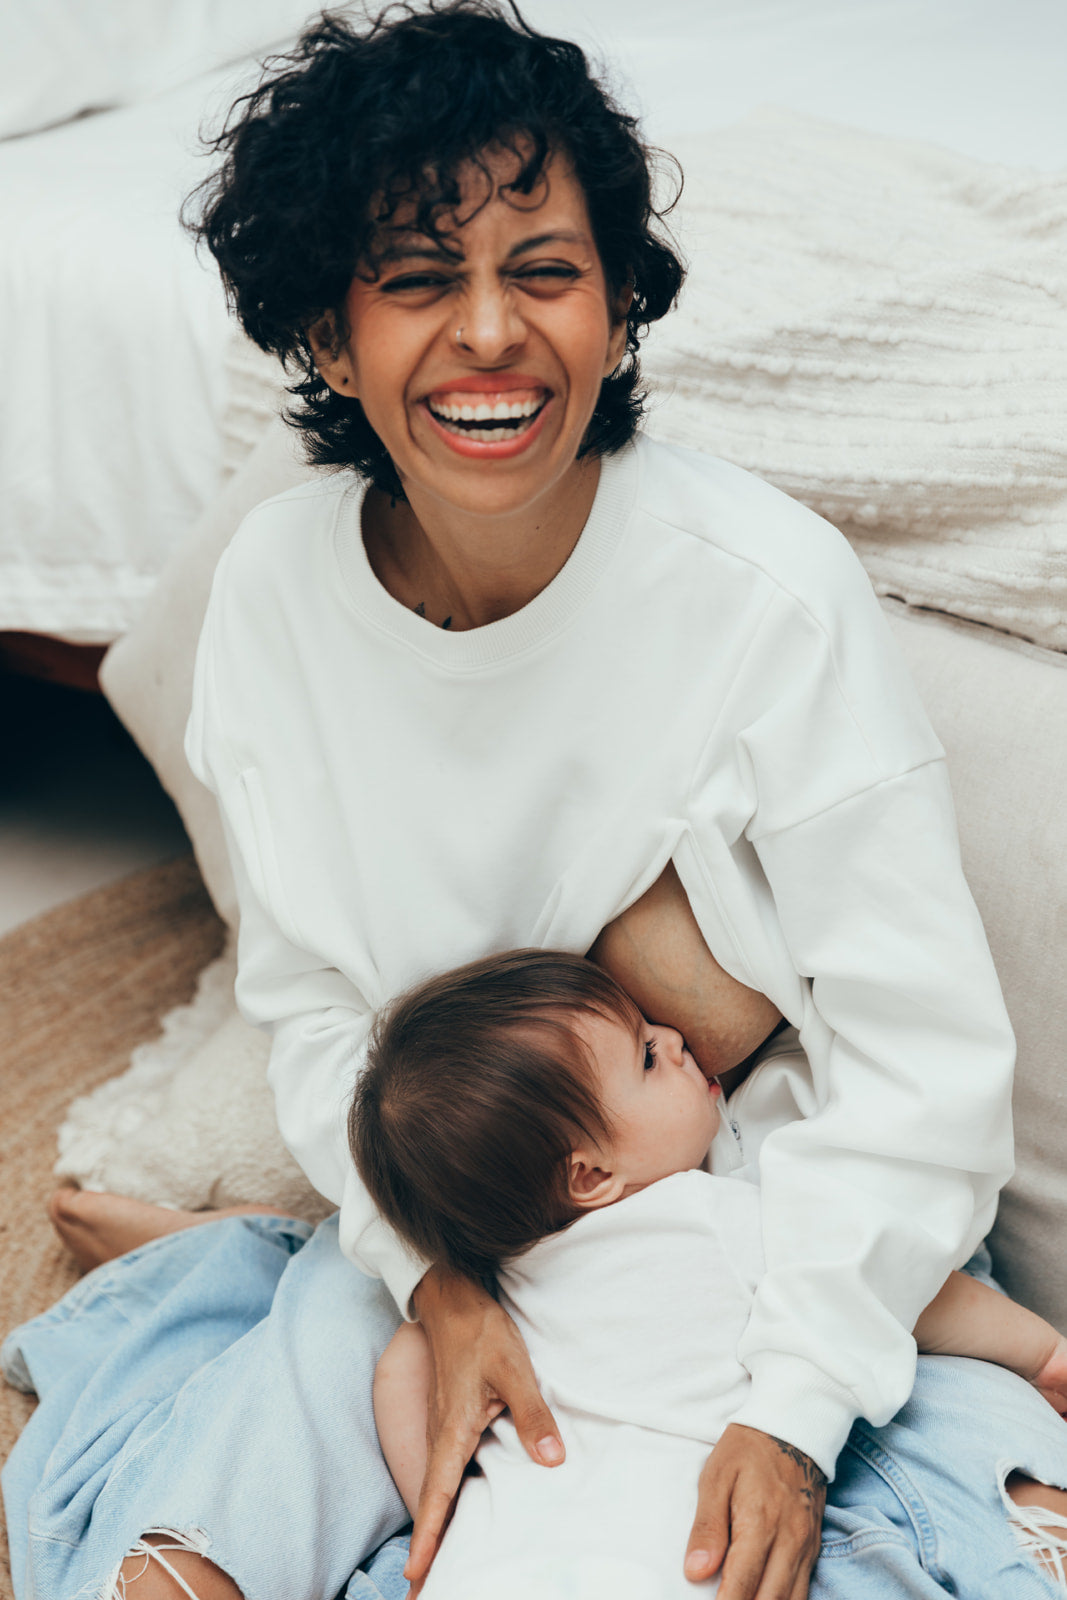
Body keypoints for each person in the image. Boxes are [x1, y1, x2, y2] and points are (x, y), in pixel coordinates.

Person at [4, 4, 1067, 1598]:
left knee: (942, 1530)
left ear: (620, 307)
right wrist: (430, 1279)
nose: (490, 333)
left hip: (785, 1245)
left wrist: (783, 1413)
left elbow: (921, 1066)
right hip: (467, 1219)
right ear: (324, 333)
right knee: (232, 1496)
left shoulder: (764, 598)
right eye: (418, 280)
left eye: (544, 272)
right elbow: (308, 1005)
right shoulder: (276, 596)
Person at [354, 948, 1067, 1597]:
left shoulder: (487, 1302)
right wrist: (1039, 1350)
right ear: (591, 1175)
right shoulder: (709, 1218)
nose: (671, 1039)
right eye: (643, 1057)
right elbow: (901, 1290)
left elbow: (404, 1371)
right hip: (668, 1569)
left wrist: (439, 1528)